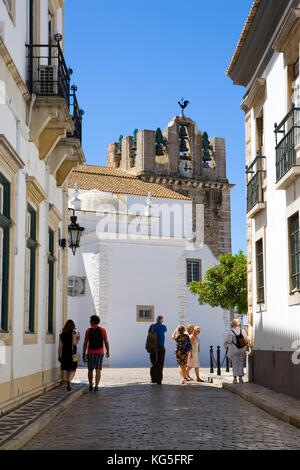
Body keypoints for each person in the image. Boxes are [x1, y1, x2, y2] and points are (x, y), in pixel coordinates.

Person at [82, 315, 110, 392]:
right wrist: (108, 351)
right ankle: (96, 386)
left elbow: (85, 343)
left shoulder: (88, 331)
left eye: (90, 320)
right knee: (98, 370)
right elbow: (106, 341)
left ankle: (91, 385)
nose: (90, 322)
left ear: (93, 322)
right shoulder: (102, 330)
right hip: (100, 352)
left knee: (90, 369)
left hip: (90, 352)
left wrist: (84, 353)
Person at [224, 318, 249, 384]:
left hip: (235, 349)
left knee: (235, 363)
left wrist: (226, 343)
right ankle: (240, 378)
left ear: (232, 324)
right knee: (241, 363)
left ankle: (235, 379)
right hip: (242, 349)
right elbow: (246, 339)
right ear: (238, 324)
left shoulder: (231, 331)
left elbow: (229, 341)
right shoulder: (242, 330)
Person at [58, 319, 80, 391]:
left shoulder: (62, 335)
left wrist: (59, 356)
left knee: (67, 369)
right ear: (73, 326)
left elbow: (59, 347)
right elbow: (75, 343)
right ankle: (69, 381)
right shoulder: (74, 333)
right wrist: (78, 339)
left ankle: (68, 381)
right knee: (73, 369)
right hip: (72, 354)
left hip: (64, 354)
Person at [148, 315, 167, 385]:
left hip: (153, 347)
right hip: (161, 347)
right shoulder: (163, 327)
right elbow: (165, 330)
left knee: (153, 363)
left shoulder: (152, 326)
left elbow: (149, 333)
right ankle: (159, 380)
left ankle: (153, 379)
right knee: (160, 363)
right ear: (161, 320)